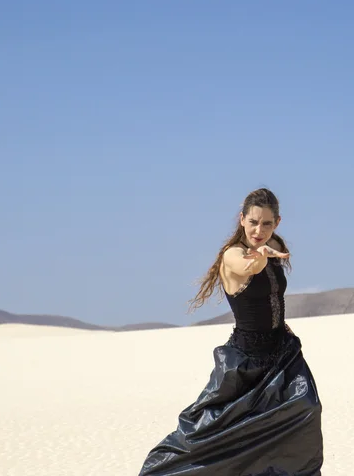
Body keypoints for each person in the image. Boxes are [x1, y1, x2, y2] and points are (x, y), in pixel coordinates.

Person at [137, 188, 324, 475]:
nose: (259, 230)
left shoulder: (270, 245)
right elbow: (249, 266)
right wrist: (263, 253)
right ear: (241, 219)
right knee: (209, 435)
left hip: (282, 353)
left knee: (306, 409)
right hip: (245, 363)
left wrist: (280, 323)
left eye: (267, 224)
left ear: (277, 223)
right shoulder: (233, 255)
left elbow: (272, 293)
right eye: (253, 222)